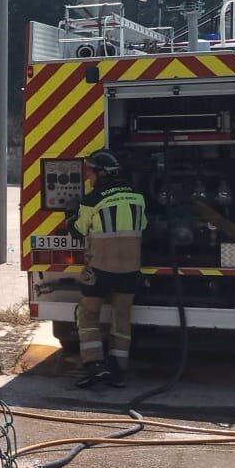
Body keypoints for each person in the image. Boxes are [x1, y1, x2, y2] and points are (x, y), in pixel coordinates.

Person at [69, 149, 147, 388]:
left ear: (99, 173)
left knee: (87, 314)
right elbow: (143, 226)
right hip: (131, 273)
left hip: (100, 272)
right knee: (122, 318)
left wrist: (70, 215)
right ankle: (118, 371)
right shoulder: (137, 198)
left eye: (90, 171)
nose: (88, 176)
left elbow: (79, 230)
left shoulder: (92, 200)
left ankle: (94, 366)